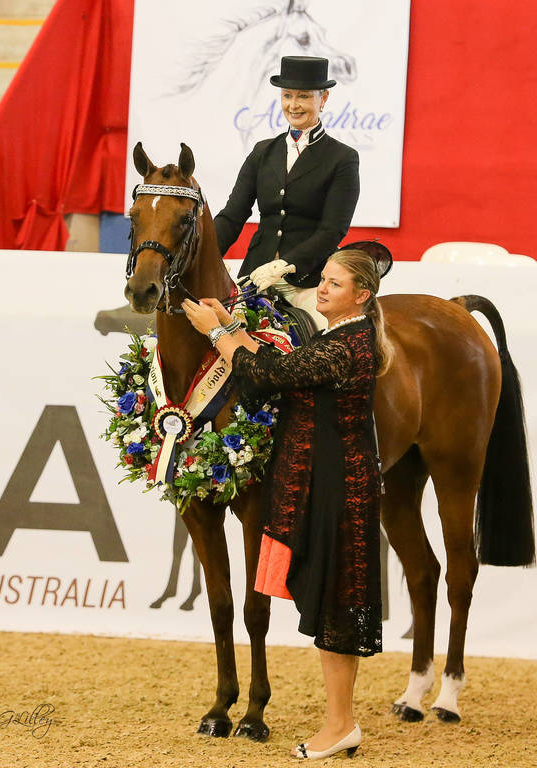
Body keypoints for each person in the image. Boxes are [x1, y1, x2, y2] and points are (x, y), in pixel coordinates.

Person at [182, 242, 393, 760]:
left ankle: (341, 723)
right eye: (322, 278)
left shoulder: (346, 345)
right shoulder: (339, 335)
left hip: (339, 488)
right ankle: (340, 722)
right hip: (330, 482)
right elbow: (279, 364)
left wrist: (217, 332)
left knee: (336, 606)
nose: (322, 287)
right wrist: (233, 327)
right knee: (331, 606)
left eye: (335, 283)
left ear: (361, 296)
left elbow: (268, 376)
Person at [213, 55, 360, 329]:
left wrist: (287, 264)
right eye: (287, 95)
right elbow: (233, 215)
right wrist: (204, 253)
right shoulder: (262, 152)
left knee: (324, 342)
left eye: (304, 96)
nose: (294, 105)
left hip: (309, 280)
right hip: (256, 275)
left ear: (323, 99)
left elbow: (333, 230)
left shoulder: (341, 158)